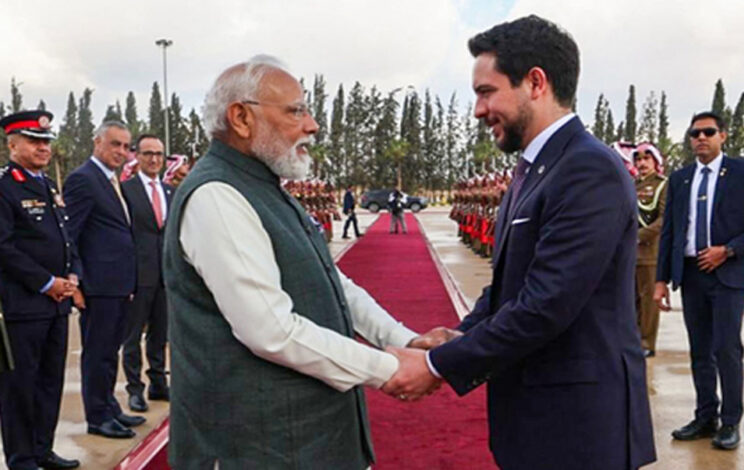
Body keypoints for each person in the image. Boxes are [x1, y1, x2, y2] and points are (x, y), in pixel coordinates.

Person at [382, 16, 656, 470]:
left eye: (486, 92)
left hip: (580, 429)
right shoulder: (536, 168)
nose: (478, 110)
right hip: (537, 415)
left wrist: (437, 365)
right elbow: (511, 283)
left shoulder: (589, 169)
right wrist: (461, 334)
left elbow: (546, 304)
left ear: (535, 83)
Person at [163, 55, 453, 469]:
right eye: (295, 111)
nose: (312, 125)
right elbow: (271, 331)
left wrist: (403, 340)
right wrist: (389, 368)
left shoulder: (264, 186)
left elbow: (331, 282)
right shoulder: (218, 196)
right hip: (256, 445)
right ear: (241, 118)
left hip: (303, 436)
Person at [655, 111, 744, 450]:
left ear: (722, 136)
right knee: (699, 350)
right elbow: (670, 232)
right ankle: (705, 416)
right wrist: (661, 279)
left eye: (708, 132)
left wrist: (729, 250)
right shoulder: (681, 179)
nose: (701, 138)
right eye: (694, 133)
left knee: (726, 348)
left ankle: (730, 421)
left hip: (728, 274)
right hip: (691, 274)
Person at [0, 110, 80, 469]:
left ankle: (42, 449)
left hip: (56, 304)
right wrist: (47, 283)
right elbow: (3, 247)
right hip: (23, 305)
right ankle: (21, 459)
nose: (43, 147)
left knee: (50, 382)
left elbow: (64, 237)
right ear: (12, 145)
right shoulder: (5, 186)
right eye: (34, 141)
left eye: (46, 141)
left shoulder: (47, 185)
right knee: (20, 387)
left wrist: (73, 274)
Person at [64, 121, 146, 439]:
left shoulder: (113, 181)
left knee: (110, 352)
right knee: (97, 354)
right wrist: (77, 284)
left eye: (126, 147)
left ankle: (110, 407)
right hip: (98, 286)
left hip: (119, 284)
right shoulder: (83, 180)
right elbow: (71, 236)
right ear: (97, 142)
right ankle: (97, 417)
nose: (121, 152)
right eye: (115, 144)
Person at [121, 134, 173, 412]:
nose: (154, 159)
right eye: (148, 153)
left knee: (159, 334)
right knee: (132, 337)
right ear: (137, 157)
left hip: (165, 276)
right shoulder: (125, 191)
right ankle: (134, 389)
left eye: (158, 154)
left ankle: (158, 383)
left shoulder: (170, 192)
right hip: (137, 276)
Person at [633, 142, 667, 357]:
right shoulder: (631, 184)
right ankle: (633, 340)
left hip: (649, 253)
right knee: (631, 300)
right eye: (638, 159)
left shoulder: (662, 185)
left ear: (655, 161)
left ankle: (646, 343)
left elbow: (663, 219)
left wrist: (638, 236)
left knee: (648, 302)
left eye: (646, 159)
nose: (642, 163)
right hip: (629, 254)